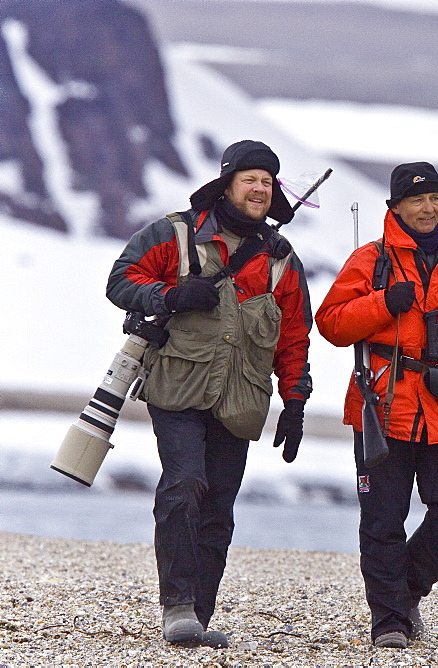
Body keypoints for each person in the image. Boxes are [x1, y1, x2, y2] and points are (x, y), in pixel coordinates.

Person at [106, 140, 313, 648]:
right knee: (184, 484)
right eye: (250, 179)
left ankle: (199, 612)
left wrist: (296, 400)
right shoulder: (174, 233)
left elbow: (293, 335)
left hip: (240, 396)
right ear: (227, 184)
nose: (260, 188)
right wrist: (170, 295)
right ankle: (176, 607)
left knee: (219, 503)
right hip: (176, 384)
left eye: (268, 181)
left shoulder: (282, 257)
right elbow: (120, 280)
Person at [316, 161, 438, 649]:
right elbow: (332, 324)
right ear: (395, 206)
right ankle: (389, 621)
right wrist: (384, 302)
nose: (428, 209)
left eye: (435, 198)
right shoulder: (371, 260)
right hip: (382, 404)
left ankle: (405, 592)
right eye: (416, 200)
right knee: (383, 519)